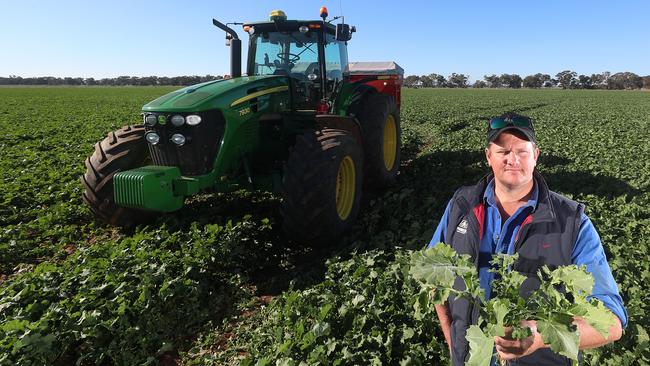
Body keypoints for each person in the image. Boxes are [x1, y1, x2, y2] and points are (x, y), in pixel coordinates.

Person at [427, 113, 626, 365]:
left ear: (536, 156)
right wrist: (454, 344)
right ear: (489, 157)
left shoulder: (571, 221)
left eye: (522, 151)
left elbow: (611, 324)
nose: (513, 159)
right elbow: (433, 275)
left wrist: (540, 336)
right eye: (503, 152)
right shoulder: (461, 205)